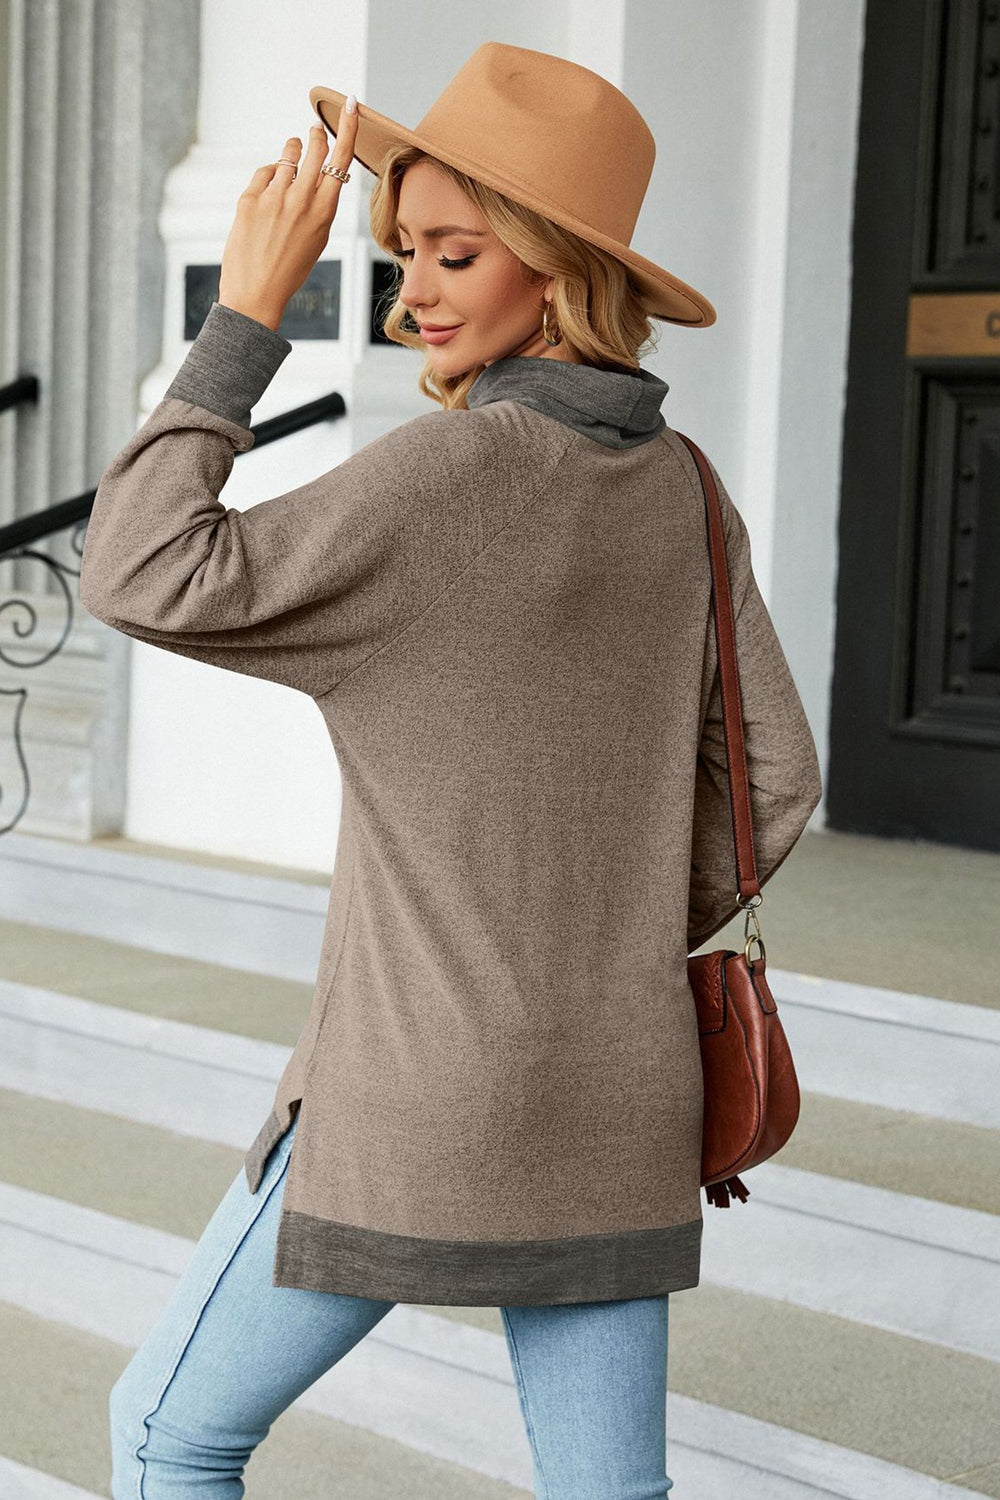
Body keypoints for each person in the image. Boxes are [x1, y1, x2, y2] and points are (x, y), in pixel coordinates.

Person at [80, 42, 823, 1500]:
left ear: (555, 271)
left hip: (419, 1082)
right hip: (621, 1085)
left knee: (169, 1435)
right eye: (403, 249)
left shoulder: (449, 476)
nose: (411, 288)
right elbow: (777, 774)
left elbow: (141, 566)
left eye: (454, 252)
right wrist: (606, 925)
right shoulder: (686, 488)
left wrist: (245, 317)